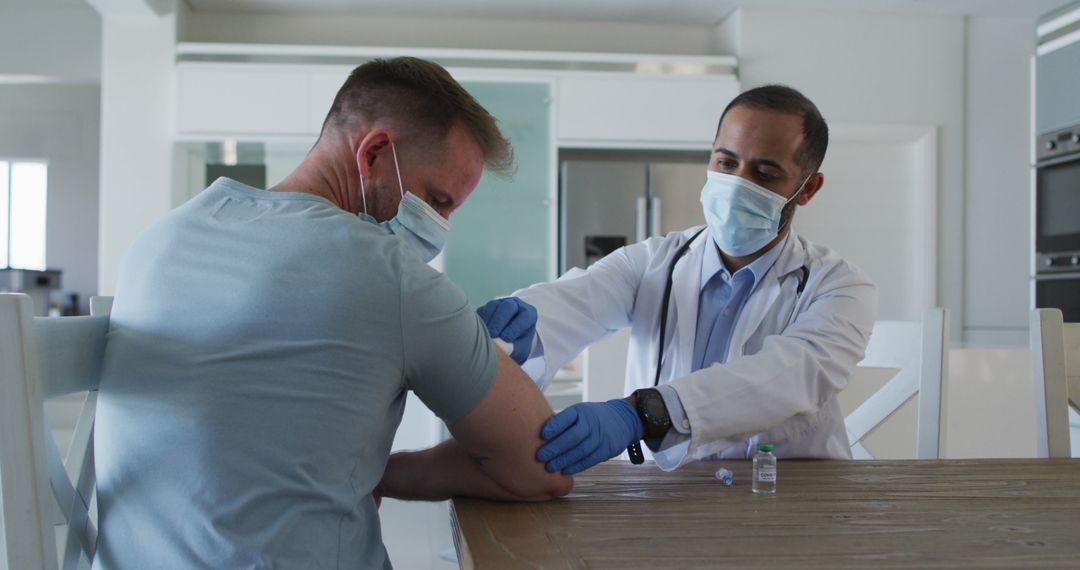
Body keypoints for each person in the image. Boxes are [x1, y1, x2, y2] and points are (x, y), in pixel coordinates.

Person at [93, 57, 571, 570]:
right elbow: (542, 467)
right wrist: (386, 474)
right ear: (375, 153)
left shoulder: (156, 242)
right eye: (437, 200)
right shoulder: (392, 278)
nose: (440, 226)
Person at [478, 85, 877, 475]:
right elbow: (582, 298)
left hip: (790, 501)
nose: (739, 182)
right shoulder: (655, 261)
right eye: (726, 162)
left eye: (765, 172)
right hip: (661, 498)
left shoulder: (840, 287)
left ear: (807, 188)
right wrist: (527, 321)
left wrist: (645, 413)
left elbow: (789, 376)